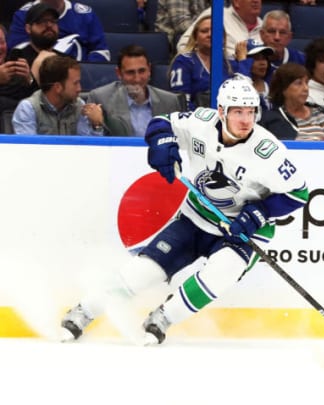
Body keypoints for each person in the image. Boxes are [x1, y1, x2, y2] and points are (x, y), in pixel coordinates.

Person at [60, 76, 308, 345]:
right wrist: (162, 143)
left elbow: (299, 193)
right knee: (144, 272)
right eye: (238, 112)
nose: (246, 120)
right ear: (221, 111)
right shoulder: (201, 121)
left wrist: (257, 214)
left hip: (244, 230)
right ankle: (83, 311)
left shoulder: (268, 152)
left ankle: (163, 318)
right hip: (197, 215)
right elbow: (161, 122)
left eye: (251, 112)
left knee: (220, 274)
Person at [88, 44, 184, 136]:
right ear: (119, 73)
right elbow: (89, 144)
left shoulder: (169, 101)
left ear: (149, 70)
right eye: (130, 72)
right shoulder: (100, 98)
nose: (137, 79)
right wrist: (97, 126)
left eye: (142, 71)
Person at [12, 54, 103, 135]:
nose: (79, 89)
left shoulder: (79, 105)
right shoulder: (28, 109)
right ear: (58, 87)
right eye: (75, 83)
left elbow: (88, 148)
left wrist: (96, 125)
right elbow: (28, 148)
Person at [259, 62, 324, 141]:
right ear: (283, 88)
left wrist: (322, 139)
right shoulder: (273, 119)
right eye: (299, 83)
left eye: (306, 82)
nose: (306, 88)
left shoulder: (317, 112)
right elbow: (293, 145)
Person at [169, 15, 242, 109]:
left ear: (223, 39)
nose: (210, 34)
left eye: (215, 31)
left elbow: (243, 95)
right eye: (204, 31)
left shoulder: (231, 63)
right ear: (195, 38)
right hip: (195, 118)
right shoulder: (184, 61)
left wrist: (243, 61)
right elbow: (181, 100)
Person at [8, 0, 110, 62]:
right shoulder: (22, 15)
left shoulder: (85, 14)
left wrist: (81, 71)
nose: (48, 25)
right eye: (42, 21)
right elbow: (17, 51)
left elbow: (101, 51)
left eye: (52, 21)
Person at [177, 0, 263, 60]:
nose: (256, 1)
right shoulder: (216, 13)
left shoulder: (266, 28)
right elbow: (184, 45)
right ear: (236, 1)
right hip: (218, 77)